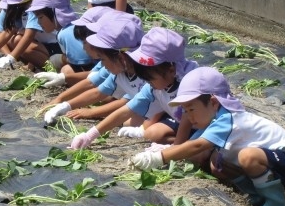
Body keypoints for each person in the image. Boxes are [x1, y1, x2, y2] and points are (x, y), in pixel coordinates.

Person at [130, 67, 285, 206]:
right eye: (185, 111)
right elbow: (190, 149)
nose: (189, 117)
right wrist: (162, 153)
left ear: (214, 103)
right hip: (274, 167)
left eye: (191, 109)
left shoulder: (229, 119)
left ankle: (276, 204)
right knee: (217, 163)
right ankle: (255, 196)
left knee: (247, 156)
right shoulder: (214, 121)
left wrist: (158, 158)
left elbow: (197, 146)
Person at [69, 27, 199, 149]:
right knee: (152, 133)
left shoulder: (188, 86)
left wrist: (174, 148)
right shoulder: (155, 86)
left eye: (150, 78)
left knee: (197, 155)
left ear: (171, 70)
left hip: (206, 129)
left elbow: (188, 118)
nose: (148, 82)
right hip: (188, 125)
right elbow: (127, 109)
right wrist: (90, 135)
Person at [25, 0, 97, 80]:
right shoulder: (72, 26)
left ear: (54, 13)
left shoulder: (66, 33)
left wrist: (63, 68)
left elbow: (84, 62)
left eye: (41, 17)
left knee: (66, 71)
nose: (38, 22)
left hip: (95, 73)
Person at [35, 5, 113, 90]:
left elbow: (98, 87)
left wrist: (64, 78)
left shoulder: (117, 62)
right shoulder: (105, 60)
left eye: (85, 42)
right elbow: (94, 74)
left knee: (66, 70)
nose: (83, 47)